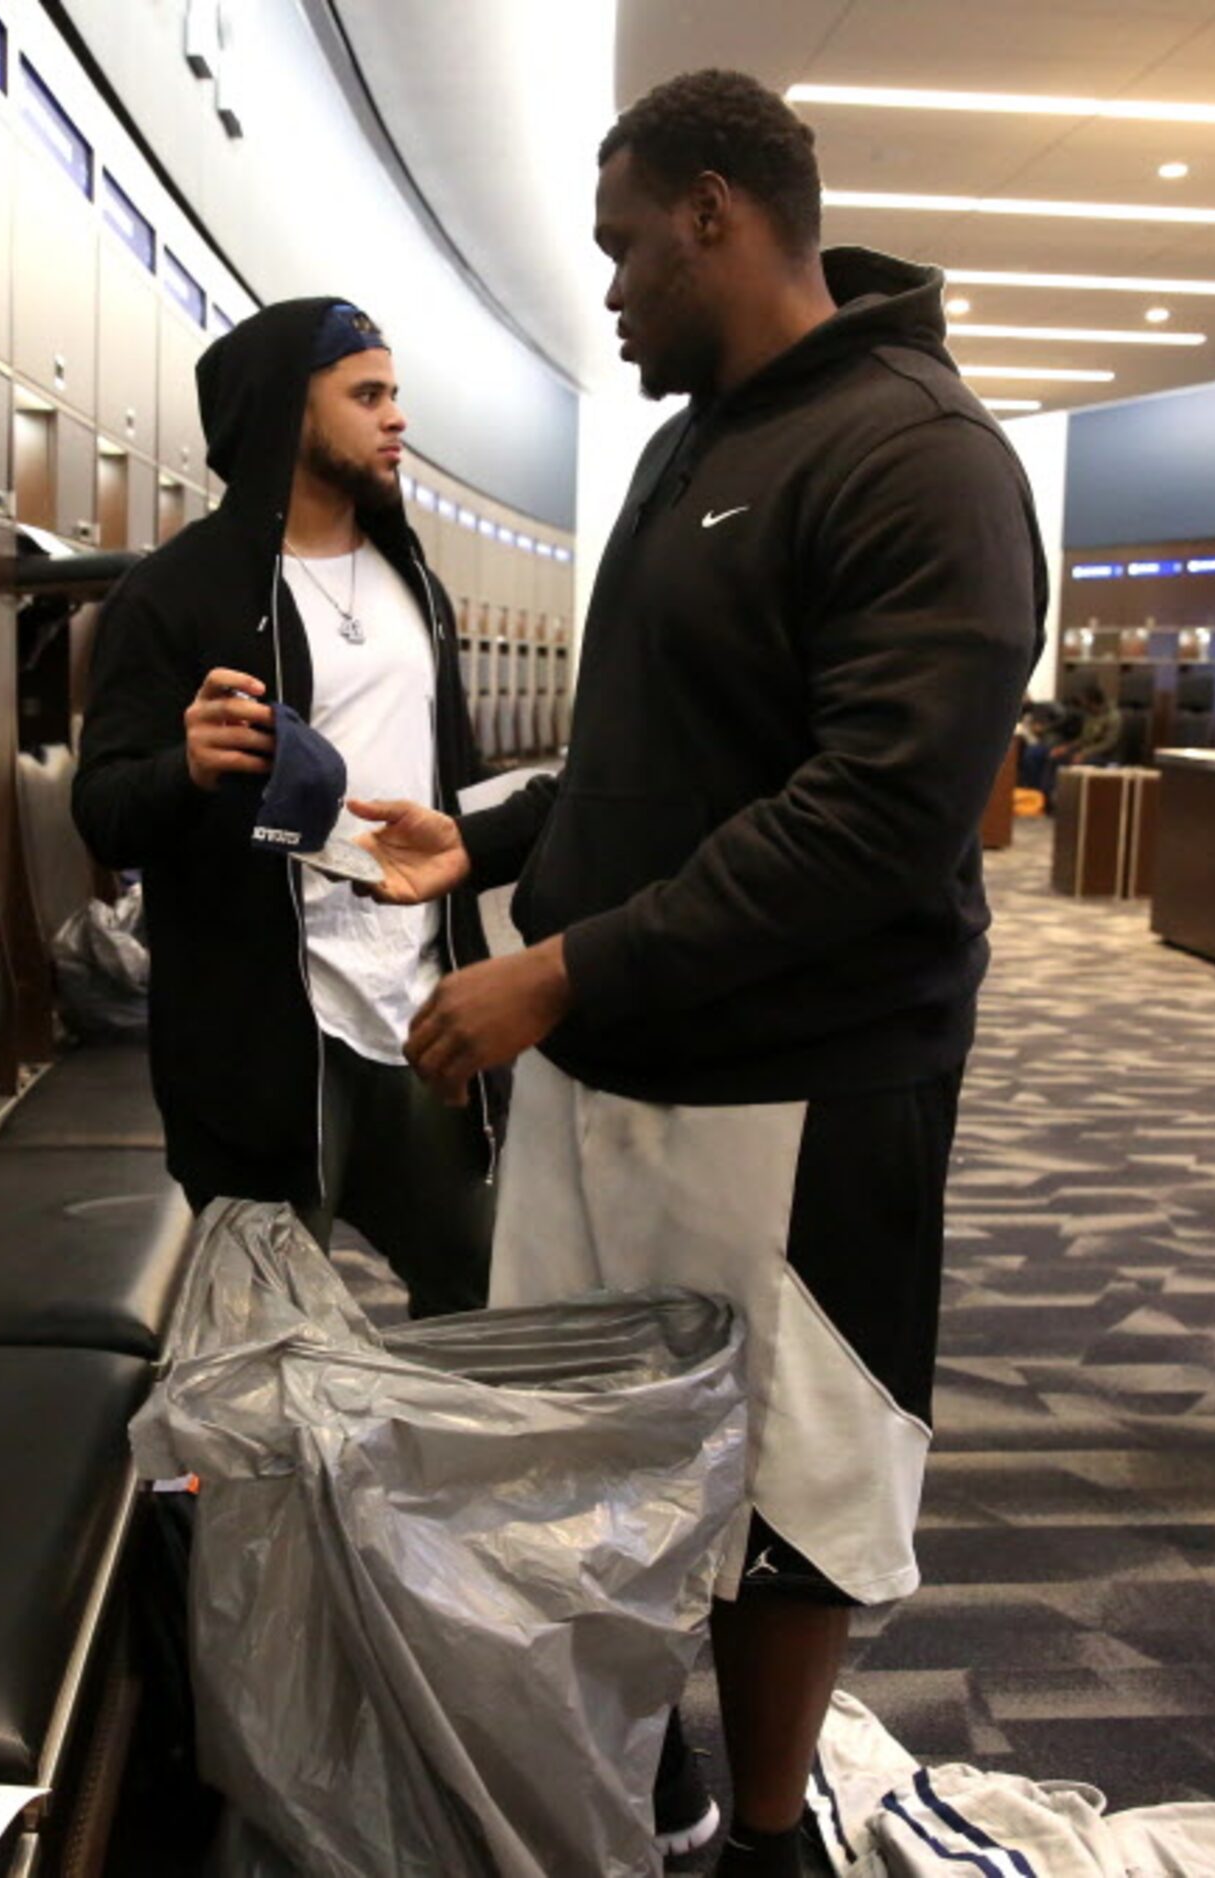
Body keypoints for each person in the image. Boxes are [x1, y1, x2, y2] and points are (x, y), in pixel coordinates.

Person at [354, 70, 1043, 1877]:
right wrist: (492, 850)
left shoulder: (922, 457)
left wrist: (564, 968)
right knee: (607, 1444)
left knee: (791, 1480)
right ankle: (644, 1770)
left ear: (719, 212)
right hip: (617, 1067)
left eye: (622, 248)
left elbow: (876, 819)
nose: (610, 290)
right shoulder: (687, 444)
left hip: (798, 1085)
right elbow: (665, 753)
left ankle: (762, 1824)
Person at [70, 298, 495, 1319]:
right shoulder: (173, 596)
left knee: (476, 1287)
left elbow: (458, 784)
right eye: (365, 395)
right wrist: (188, 765)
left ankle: (441, 1478)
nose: (395, 419)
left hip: (418, 1016)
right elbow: (103, 811)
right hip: (261, 1041)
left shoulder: (414, 587)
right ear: (282, 415)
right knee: (266, 1349)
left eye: (394, 394)